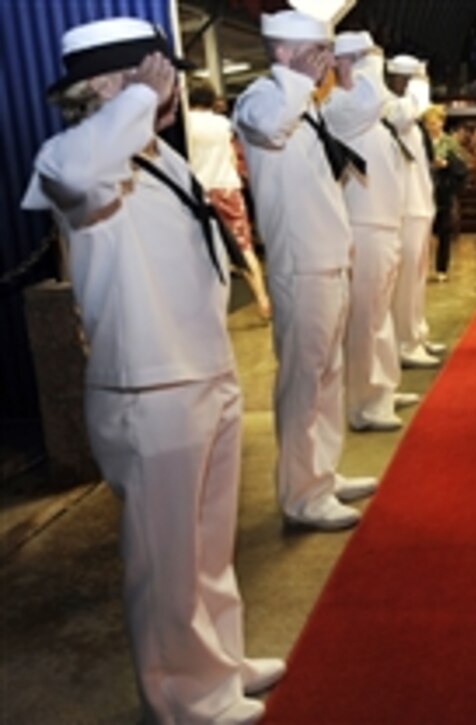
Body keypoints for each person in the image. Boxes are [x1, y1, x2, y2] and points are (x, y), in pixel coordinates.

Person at [22, 17, 283, 722]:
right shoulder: (71, 157)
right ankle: (179, 695)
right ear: (103, 84)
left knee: (206, 544)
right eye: (150, 74)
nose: (167, 86)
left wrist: (141, 107)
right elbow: (76, 173)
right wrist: (137, 101)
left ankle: (218, 665)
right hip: (150, 387)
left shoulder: (153, 156)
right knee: (166, 560)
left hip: (203, 371)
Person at [233, 10, 378, 531]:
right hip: (301, 263)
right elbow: (269, 127)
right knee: (302, 380)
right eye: (315, 52)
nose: (323, 62)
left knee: (327, 374)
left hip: (330, 256)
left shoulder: (309, 106)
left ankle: (324, 473)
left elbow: (363, 111)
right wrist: (302, 77)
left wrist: (347, 73)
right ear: (285, 53)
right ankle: (302, 494)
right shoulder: (262, 99)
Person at [325, 31, 421, 432]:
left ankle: (380, 390)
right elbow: (371, 97)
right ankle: (364, 403)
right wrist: (365, 63)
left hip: (384, 223)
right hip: (364, 227)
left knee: (378, 316)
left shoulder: (369, 109)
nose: (376, 67)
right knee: (365, 320)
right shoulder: (343, 107)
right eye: (367, 59)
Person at [187, 79, 272, 321]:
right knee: (244, 247)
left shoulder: (187, 125)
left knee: (203, 254)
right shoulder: (224, 124)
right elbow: (235, 159)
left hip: (200, 191)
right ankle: (263, 300)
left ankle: (208, 312)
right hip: (228, 187)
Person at [385, 54, 446, 368]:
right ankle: (405, 343)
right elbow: (404, 114)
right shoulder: (392, 108)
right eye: (416, 79)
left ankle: (417, 334)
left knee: (418, 274)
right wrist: (417, 88)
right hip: (404, 207)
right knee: (406, 278)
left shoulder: (412, 115)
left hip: (420, 203)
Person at [421, 104, 468, 283]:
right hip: (424, 188)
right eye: (429, 123)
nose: (433, 126)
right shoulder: (420, 141)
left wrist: (447, 164)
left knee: (444, 231)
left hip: (443, 190)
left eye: (436, 122)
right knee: (423, 232)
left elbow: (462, 166)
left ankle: (442, 268)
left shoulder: (449, 142)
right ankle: (422, 268)